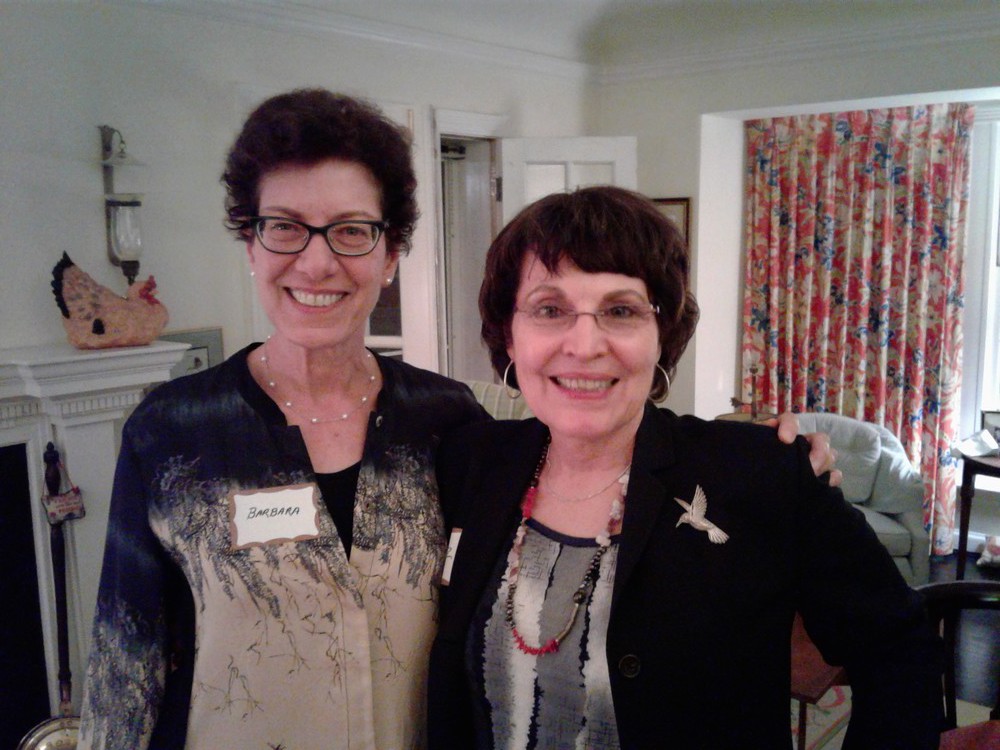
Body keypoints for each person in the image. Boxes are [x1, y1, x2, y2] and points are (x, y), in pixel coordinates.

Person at [76, 89, 835, 750]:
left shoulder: (446, 424)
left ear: (391, 254)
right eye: (284, 226)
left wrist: (767, 474)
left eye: (351, 230)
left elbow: (595, 439)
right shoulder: (174, 432)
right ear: (250, 242)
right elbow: (126, 661)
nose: (316, 262)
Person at [428, 186, 943, 749]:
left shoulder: (758, 471)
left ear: (663, 335)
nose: (584, 345)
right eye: (549, 310)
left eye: (621, 311)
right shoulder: (469, 462)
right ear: (509, 334)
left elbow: (899, 648)